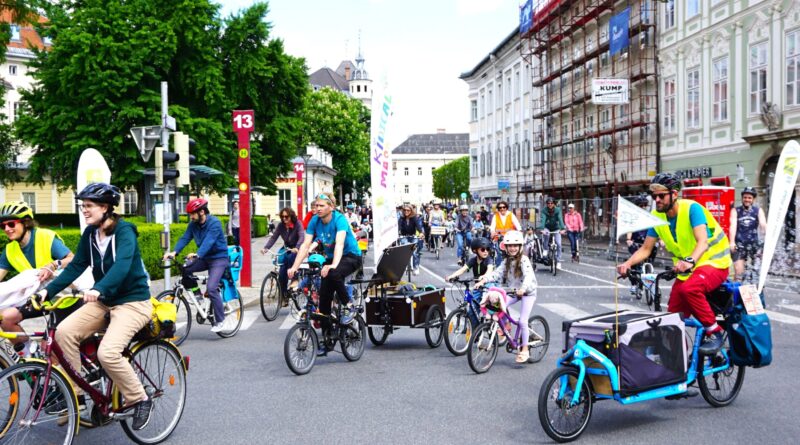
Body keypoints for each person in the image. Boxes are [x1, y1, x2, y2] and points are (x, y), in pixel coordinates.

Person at [36, 183, 153, 429]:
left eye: (88, 206)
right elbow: (77, 265)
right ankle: (76, 395)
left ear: (105, 207)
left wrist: (99, 288)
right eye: (83, 206)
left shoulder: (124, 232)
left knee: (107, 353)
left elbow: (122, 265)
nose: (84, 211)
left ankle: (140, 398)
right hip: (104, 302)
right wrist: (48, 290)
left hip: (132, 303)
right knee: (64, 333)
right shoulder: (90, 234)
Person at [617, 173, 732, 355]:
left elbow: (702, 241)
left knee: (690, 290)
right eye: (654, 196)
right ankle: (680, 362)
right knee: (672, 319)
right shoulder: (657, 216)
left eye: (661, 195)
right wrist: (628, 263)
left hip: (715, 263)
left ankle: (714, 332)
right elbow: (646, 249)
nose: (657, 200)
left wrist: (689, 261)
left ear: (674, 194)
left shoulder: (692, 209)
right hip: (689, 270)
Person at [288, 193, 362, 356]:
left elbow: (340, 243)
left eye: (321, 206)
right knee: (323, 305)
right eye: (316, 205)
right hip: (331, 259)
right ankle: (328, 342)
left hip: (351, 256)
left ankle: (349, 306)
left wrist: (333, 265)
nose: (318, 208)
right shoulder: (315, 220)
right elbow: (306, 245)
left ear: (331, 207)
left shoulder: (339, 219)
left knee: (333, 272)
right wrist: (294, 267)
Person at [0, 201, 81, 351]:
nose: (7, 229)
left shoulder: (45, 237)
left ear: (26, 223)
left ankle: (51, 369)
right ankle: (31, 360)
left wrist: (53, 265)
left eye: (11, 224)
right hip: (39, 299)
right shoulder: (10, 250)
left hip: (64, 299)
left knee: (49, 348)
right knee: (6, 318)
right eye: (2, 226)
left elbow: (73, 260)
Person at [164, 198, 232, 332]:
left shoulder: (215, 223)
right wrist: (174, 252)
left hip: (219, 259)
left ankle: (221, 321)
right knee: (185, 267)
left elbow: (209, 241)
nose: (191, 216)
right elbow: (185, 238)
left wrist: (197, 254)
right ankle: (198, 296)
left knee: (211, 288)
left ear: (201, 211)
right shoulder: (193, 225)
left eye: (193, 213)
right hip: (204, 258)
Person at [475, 230, 537, 363]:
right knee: (497, 305)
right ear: (506, 248)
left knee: (522, 321)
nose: (513, 248)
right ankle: (504, 327)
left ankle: (525, 349)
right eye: (510, 246)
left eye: (515, 245)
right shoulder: (506, 261)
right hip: (512, 291)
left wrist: (523, 289)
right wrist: (483, 280)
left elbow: (528, 277)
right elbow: (496, 273)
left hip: (527, 293)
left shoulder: (524, 260)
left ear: (520, 247)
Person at [261, 207, 305, 297]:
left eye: (286, 216)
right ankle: (284, 295)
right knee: (281, 271)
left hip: (296, 248)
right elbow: (274, 237)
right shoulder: (281, 225)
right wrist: (266, 248)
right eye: (282, 216)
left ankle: (294, 278)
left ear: (291, 216)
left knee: (290, 257)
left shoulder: (297, 224)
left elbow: (301, 236)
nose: (284, 218)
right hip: (287, 247)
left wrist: (297, 247)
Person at [729, 187, 767, 281]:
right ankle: (736, 294)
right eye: (745, 197)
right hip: (739, 245)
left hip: (754, 245)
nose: (747, 199)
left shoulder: (758, 210)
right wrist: (732, 242)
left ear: (753, 199)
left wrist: (768, 235)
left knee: (757, 274)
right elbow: (733, 226)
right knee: (739, 273)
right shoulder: (735, 210)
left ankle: (756, 293)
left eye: (749, 198)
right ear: (742, 198)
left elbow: (763, 225)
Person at [625, 195, 659, 294]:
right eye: (641, 205)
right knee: (633, 264)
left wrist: (661, 240)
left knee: (650, 261)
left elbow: (657, 229)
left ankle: (648, 276)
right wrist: (628, 239)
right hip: (636, 242)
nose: (643, 207)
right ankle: (634, 284)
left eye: (645, 205)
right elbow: (630, 229)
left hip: (648, 242)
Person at [538, 198, 566, 269]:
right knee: (546, 234)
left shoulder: (557, 210)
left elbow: (560, 219)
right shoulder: (544, 210)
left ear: (554, 204)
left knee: (559, 243)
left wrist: (562, 229)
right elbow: (543, 220)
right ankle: (545, 249)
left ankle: (558, 261)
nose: (550, 205)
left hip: (556, 228)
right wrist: (542, 229)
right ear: (547, 204)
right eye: (548, 203)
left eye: (551, 203)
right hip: (547, 227)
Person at [397, 203, 424, 275]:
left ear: (411, 211)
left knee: (414, 252)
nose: (406, 211)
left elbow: (418, 226)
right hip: (404, 236)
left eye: (408, 210)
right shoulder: (401, 218)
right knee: (405, 250)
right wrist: (397, 233)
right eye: (405, 210)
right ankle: (404, 265)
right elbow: (398, 227)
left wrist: (421, 232)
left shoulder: (414, 218)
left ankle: (416, 267)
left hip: (413, 236)